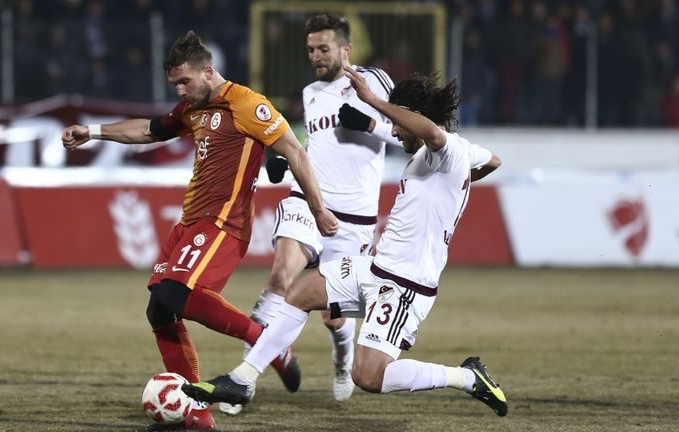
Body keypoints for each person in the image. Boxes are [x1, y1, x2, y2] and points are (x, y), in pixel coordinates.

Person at [181, 68, 507, 417]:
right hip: (377, 267)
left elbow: (434, 134)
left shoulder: (447, 150)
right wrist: (458, 182)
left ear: (414, 117)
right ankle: (243, 379)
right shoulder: (449, 156)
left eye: (398, 123)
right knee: (301, 292)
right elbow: (493, 160)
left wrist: (373, 100)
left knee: (368, 376)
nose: (395, 131)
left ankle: (467, 377)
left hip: (406, 283)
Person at [61, 31, 338, 430]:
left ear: (208, 71)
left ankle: (267, 342)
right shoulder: (193, 108)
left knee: (176, 294)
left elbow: (295, 151)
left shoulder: (248, 104)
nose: (180, 91)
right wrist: (93, 132)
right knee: (159, 309)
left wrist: (318, 209)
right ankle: (196, 411)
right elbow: (150, 130)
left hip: (224, 222)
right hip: (190, 222)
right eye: (175, 84)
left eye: (184, 82)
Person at [220, 14, 399, 414]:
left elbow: (412, 136)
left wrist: (370, 123)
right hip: (308, 200)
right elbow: (314, 146)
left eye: (324, 49)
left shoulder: (375, 81)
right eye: (311, 50)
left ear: (346, 49)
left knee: (333, 317)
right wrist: (287, 162)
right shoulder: (310, 92)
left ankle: (342, 357)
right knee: (281, 278)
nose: (316, 56)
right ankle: (243, 381)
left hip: (354, 218)